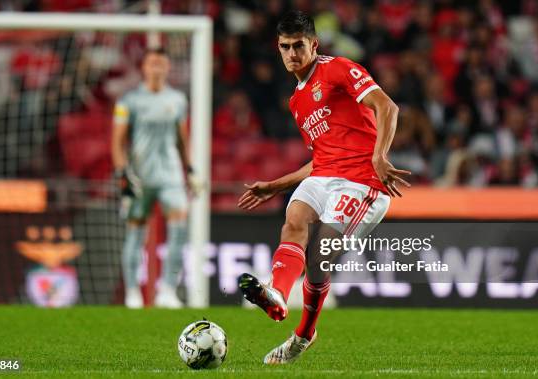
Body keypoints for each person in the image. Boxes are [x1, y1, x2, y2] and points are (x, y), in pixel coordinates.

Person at [237, 11, 410, 364]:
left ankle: (303, 335)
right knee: (294, 218)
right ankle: (278, 294)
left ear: (313, 44)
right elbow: (321, 158)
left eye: (298, 45)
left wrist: (380, 156)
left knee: (319, 258)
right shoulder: (296, 101)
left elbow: (386, 107)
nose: (291, 54)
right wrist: (275, 185)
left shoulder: (339, 69)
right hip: (324, 176)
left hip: (362, 182)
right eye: (285, 47)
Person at [112, 48, 197, 309]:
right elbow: (117, 142)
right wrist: (123, 174)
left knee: (179, 229)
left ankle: (167, 291)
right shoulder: (129, 101)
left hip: (170, 175)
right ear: (144, 68)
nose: (157, 68)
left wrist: (190, 169)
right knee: (136, 234)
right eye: (152, 63)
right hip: (140, 177)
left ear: (168, 67)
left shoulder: (178, 100)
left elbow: (183, 139)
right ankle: (132, 293)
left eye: (162, 63)